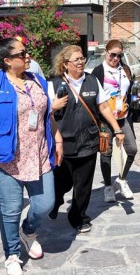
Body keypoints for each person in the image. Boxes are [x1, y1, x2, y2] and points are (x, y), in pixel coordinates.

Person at [0, 37, 63, 275]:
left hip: (40, 155)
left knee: (46, 204)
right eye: (22, 54)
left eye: (26, 52)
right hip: (7, 160)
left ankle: (29, 232)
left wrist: (58, 139)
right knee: (11, 210)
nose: (27, 56)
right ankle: (12, 255)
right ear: (6, 60)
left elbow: (46, 115)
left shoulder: (37, 81)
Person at [48, 45, 125, 233]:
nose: (81, 62)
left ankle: (78, 216)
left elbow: (104, 107)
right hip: (63, 143)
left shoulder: (91, 80)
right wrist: (54, 106)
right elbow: (45, 112)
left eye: (82, 58)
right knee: (62, 182)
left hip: (88, 142)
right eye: (77, 59)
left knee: (83, 184)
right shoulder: (54, 83)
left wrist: (117, 129)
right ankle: (56, 200)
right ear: (66, 64)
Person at [91, 40, 139, 202]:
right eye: (113, 54)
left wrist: (134, 98)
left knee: (132, 149)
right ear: (106, 52)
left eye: (119, 55)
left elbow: (131, 88)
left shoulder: (125, 69)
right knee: (106, 152)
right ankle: (108, 186)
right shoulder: (98, 71)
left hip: (123, 117)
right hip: (105, 119)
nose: (116, 58)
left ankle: (122, 179)